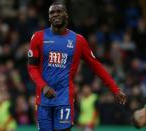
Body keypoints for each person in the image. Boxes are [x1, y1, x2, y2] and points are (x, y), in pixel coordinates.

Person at [27, 1, 127, 131]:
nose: (55, 14)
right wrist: (44, 86)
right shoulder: (38, 37)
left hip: (64, 99)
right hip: (43, 100)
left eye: (59, 11)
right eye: (52, 12)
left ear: (66, 15)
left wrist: (115, 89)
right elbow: (32, 68)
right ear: (48, 17)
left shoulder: (78, 41)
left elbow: (96, 66)